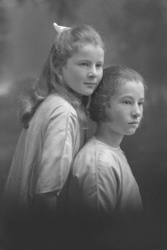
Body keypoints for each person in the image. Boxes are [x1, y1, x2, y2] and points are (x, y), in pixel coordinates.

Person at [2, 22, 105, 250]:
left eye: (99, 65)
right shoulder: (63, 113)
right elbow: (47, 195)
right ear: (59, 68)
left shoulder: (52, 103)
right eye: (84, 64)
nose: (93, 73)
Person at [68, 65, 146, 249]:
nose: (137, 112)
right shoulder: (99, 162)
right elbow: (99, 237)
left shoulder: (112, 153)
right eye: (127, 102)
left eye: (140, 103)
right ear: (102, 104)